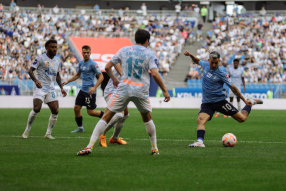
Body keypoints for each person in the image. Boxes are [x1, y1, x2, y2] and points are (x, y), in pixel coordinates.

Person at [76, 29, 171, 156]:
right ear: (147, 40)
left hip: (124, 88)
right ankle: (154, 149)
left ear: (135, 39)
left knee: (106, 117)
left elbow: (107, 67)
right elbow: (154, 74)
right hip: (141, 90)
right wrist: (165, 90)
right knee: (147, 119)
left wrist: (115, 79)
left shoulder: (124, 50)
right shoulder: (150, 54)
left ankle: (89, 146)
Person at [184, 50, 263, 147]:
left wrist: (244, 100)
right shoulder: (205, 65)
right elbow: (197, 60)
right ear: (208, 60)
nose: (213, 65)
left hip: (220, 102)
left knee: (242, 119)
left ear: (219, 61)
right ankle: (200, 142)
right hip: (207, 102)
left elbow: (233, 88)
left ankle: (251, 102)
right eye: (212, 62)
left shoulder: (222, 72)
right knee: (200, 120)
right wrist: (191, 54)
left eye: (216, 63)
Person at [22, 39, 67, 139]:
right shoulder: (40, 58)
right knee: (37, 109)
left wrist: (61, 88)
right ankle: (27, 129)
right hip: (40, 87)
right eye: (52, 47)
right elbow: (30, 70)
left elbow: (58, 75)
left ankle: (48, 134)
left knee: (55, 110)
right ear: (47, 48)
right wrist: (36, 80)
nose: (54, 49)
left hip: (51, 88)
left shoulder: (57, 61)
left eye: (55, 47)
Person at [62, 45, 104, 133]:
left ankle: (108, 118)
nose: (86, 54)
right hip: (82, 90)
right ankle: (80, 128)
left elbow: (101, 77)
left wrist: (94, 87)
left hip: (90, 92)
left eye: (87, 53)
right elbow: (77, 75)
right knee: (76, 108)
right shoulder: (81, 63)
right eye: (84, 52)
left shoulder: (93, 64)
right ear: (82, 52)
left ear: (90, 53)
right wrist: (67, 81)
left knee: (91, 112)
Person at [98, 63, 129, 147]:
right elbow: (116, 64)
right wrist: (125, 77)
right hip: (111, 91)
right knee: (119, 114)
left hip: (121, 93)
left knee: (125, 115)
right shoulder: (123, 58)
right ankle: (102, 133)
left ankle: (115, 138)